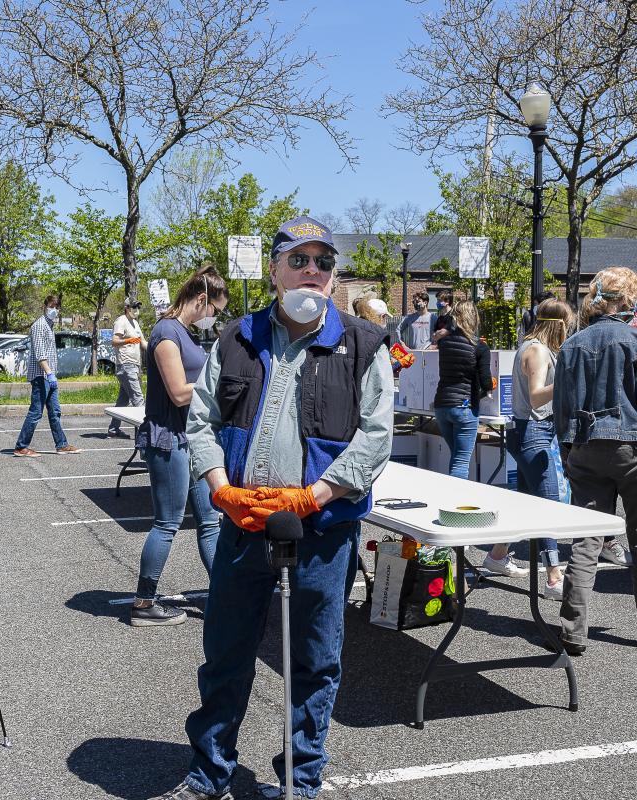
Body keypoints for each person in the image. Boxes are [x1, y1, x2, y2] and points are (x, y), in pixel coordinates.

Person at [157, 216, 393, 800]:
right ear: (274, 270)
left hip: (321, 531)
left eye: (324, 263)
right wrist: (219, 487)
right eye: (299, 259)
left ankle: (301, 775)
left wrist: (313, 496)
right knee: (226, 654)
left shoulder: (363, 343)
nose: (312, 271)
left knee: (315, 661)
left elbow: (376, 436)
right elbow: (202, 419)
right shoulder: (236, 337)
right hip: (241, 527)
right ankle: (210, 770)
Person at [129, 267, 228, 626]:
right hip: (169, 441)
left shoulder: (183, 332)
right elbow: (178, 392)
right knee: (168, 523)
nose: (214, 318)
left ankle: (225, 596)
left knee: (210, 522)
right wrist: (223, 387)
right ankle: (143, 603)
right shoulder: (166, 332)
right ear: (201, 301)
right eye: (215, 310)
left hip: (191, 440)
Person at [553, 268, 637, 655]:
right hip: (630, 446)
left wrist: (569, 450)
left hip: (585, 446)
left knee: (585, 542)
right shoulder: (633, 340)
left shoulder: (573, 343)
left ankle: (573, 630)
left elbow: (563, 406)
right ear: (627, 299)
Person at [433, 301, 526, 577]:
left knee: (455, 458)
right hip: (464, 406)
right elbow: (485, 380)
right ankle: (455, 512)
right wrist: (487, 388)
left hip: (441, 405)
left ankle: (457, 502)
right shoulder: (479, 347)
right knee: (461, 461)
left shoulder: (445, 343)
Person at [506, 298, 576, 601]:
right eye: (568, 324)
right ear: (558, 324)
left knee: (524, 502)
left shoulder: (531, 345)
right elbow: (537, 397)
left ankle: (496, 554)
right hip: (533, 432)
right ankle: (553, 577)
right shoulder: (536, 350)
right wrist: (568, 378)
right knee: (548, 505)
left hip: (529, 432)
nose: (570, 329)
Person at [14, 295, 83, 456]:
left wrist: (52, 375)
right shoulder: (39, 326)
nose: (55, 310)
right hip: (41, 376)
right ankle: (21, 446)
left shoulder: (49, 325)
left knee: (55, 412)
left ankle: (61, 444)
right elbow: (40, 354)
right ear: (44, 306)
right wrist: (49, 373)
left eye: (57, 307)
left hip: (49, 376)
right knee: (36, 412)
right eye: (52, 306)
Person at [108, 298, 148, 438]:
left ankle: (113, 430)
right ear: (127, 308)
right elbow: (114, 341)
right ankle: (144, 435)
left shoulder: (135, 323)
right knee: (138, 399)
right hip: (126, 365)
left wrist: (157, 349)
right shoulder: (121, 321)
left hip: (135, 365)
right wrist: (129, 340)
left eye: (138, 306)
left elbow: (143, 342)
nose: (136, 309)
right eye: (134, 307)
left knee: (123, 401)